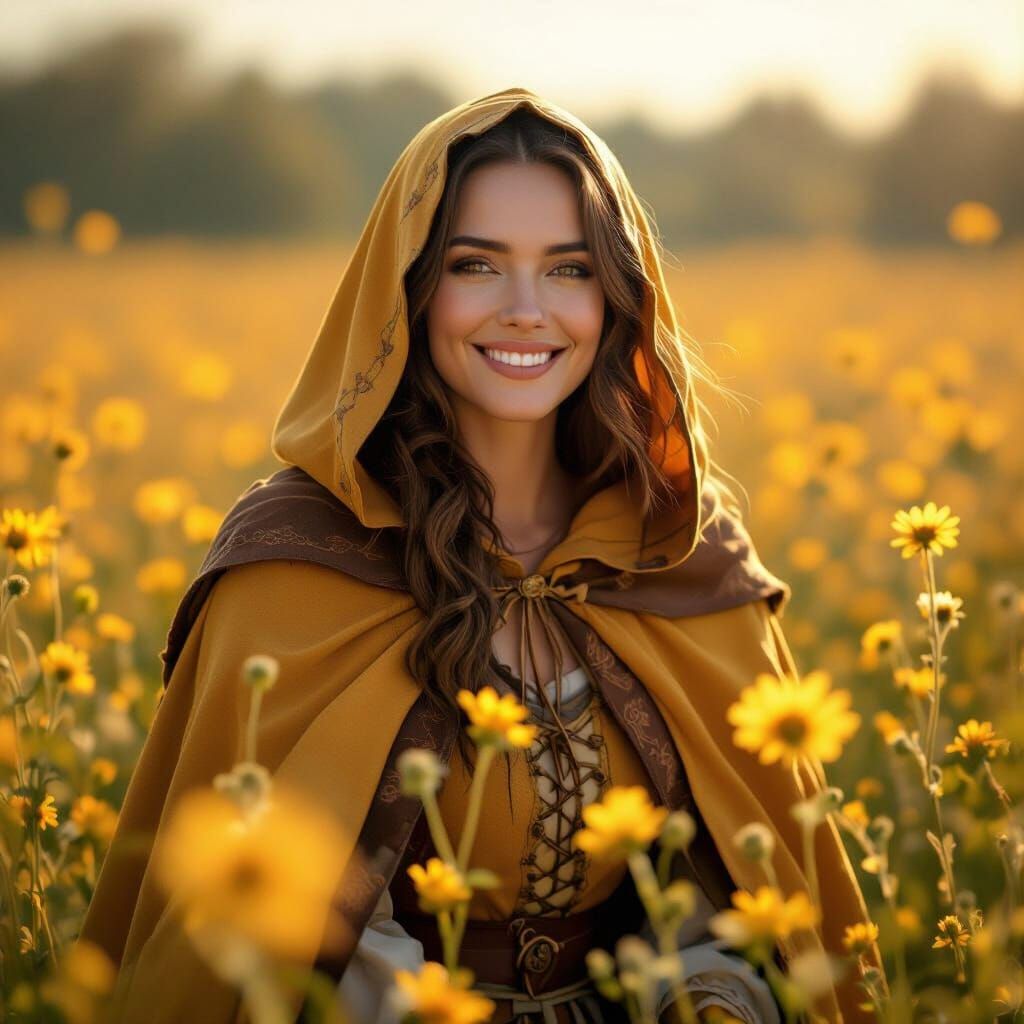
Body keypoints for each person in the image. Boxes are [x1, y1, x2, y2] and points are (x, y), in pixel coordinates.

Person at [77, 87, 881, 1023]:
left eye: (570, 269)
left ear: (616, 295)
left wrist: (710, 996)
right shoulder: (297, 568)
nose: (527, 310)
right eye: (477, 265)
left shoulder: (681, 560)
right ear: (408, 289)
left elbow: (752, 885)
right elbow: (250, 933)